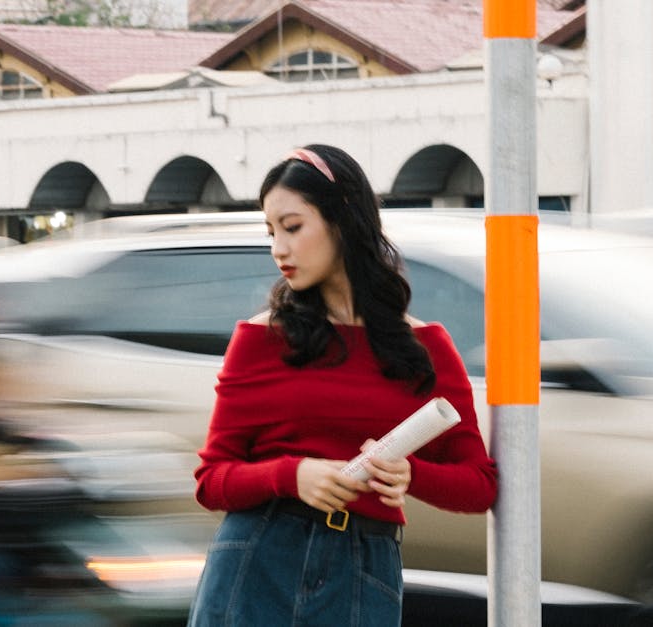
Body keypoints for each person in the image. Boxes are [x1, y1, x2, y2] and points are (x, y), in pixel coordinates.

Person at [188, 145, 499, 626]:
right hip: (259, 558)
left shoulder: (427, 347)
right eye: (271, 232)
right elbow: (212, 481)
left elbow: (479, 485)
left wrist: (410, 474)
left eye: (292, 227)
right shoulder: (261, 338)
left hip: (364, 569)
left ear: (343, 219)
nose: (278, 248)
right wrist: (293, 475)